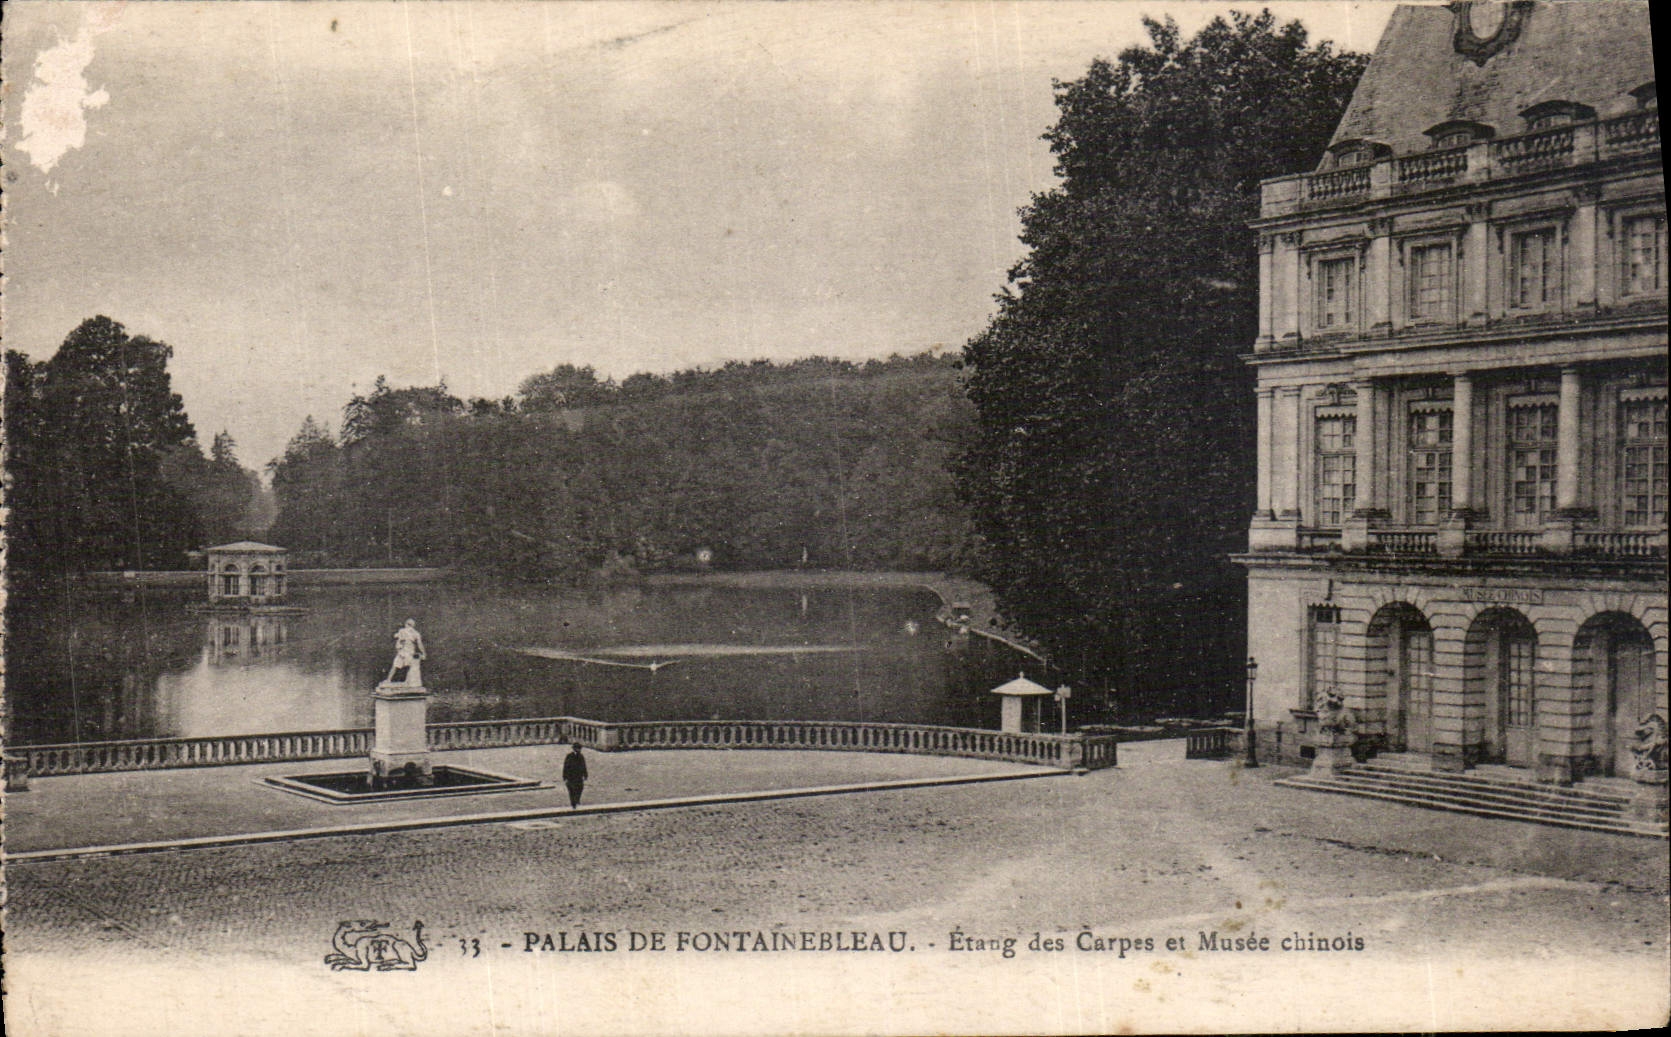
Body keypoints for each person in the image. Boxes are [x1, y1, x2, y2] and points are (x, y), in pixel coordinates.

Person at [386, 619, 425, 685]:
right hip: (409, 651)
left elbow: (395, 636)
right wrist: (423, 653)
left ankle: (388, 680)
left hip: (403, 651)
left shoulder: (402, 631)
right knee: (409, 666)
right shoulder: (416, 633)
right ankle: (406, 681)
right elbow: (420, 644)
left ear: (406, 624)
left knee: (395, 665)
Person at [562, 743, 588, 809]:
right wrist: (565, 777)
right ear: (574, 749)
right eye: (578, 748)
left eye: (580, 749)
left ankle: (577, 799)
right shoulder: (569, 756)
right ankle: (573, 803)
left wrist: (585, 775)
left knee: (580, 788)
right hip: (571, 776)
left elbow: (584, 766)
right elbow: (565, 766)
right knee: (571, 790)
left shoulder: (581, 756)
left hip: (579, 776)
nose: (579, 750)